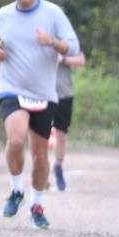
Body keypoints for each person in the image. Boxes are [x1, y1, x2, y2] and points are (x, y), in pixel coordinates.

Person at [0, 0, 79, 229]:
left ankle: (36, 204)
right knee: (15, 140)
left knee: (40, 156)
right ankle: (16, 189)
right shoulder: (4, 15)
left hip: (44, 93)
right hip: (11, 87)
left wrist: (51, 41)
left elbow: (72, 48)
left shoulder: (53, 13)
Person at [50, 50, 86, 191]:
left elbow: (81, 60)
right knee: (38, 134)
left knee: (61, 136)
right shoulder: (37, 37)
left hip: (64, 94)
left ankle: (58, 167)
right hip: (42, 93)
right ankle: (41, 171)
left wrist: (63, 59)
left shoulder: (66, 40)